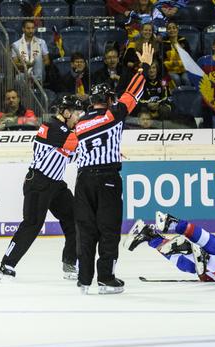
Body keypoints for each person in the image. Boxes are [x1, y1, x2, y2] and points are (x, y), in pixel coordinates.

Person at [73, 43, 153, 295]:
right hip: (107, 179)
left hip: (83, 180)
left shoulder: (80, 123)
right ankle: (106, 279)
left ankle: (84, 280)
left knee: (85, 231)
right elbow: (133, 93)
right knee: (108, 230)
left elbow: (79, 148)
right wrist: (145, 67)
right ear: (108, 99)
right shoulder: (113, 114)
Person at [0, 95, 82, 282]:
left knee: (76, 219)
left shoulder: (64, 131)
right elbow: (79, 143)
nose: (78, 118)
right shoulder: (53, 128)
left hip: (56, 185)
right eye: (76, 113)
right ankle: (6, 265)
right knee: (32, 225)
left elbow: (71, 154)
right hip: (39, 183)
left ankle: (69, 262)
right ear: (66, 112)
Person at [11, 20, 50, 84]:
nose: (31, 31)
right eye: (28, 28)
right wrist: (26, 65)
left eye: (33, 28)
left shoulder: (41, 42)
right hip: (23, 73)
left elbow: (47, 61)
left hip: (39, 72)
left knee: (37, 57)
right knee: (19, 78)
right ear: (23, 29)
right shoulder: (16, 45)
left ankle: (36, 81)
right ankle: (33, 81)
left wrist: (37, 64)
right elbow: (15, 63)